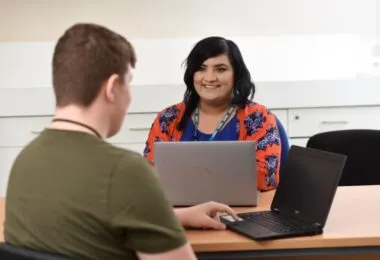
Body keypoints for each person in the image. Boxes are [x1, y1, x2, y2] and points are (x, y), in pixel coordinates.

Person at [4, 24, 237, 260]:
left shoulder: (24, 162)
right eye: (129, 82)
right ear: (112, 88)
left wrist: (178, 216)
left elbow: (86, 219)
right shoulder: (125, 171)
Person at [144, 36, 281, 191]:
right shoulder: (168, 118)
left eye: (221, 69)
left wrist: (190, 177)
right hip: (181, 211)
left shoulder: (258, 118)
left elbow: (266, 178)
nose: (209, 78)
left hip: (237, 210)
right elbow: (150, 174)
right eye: (201, 69)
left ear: (236, 74)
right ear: (192, 74)